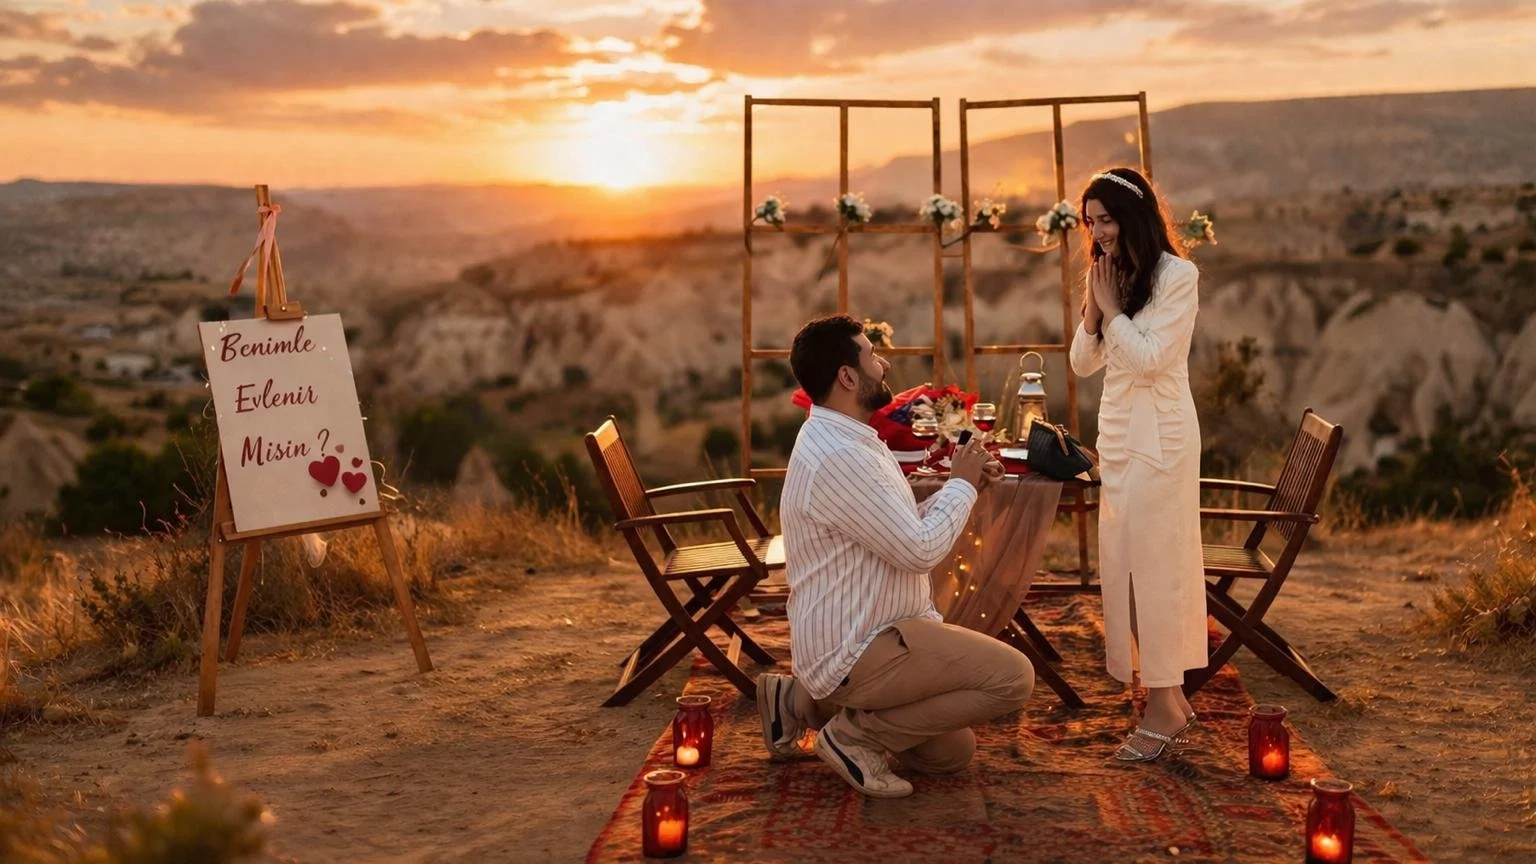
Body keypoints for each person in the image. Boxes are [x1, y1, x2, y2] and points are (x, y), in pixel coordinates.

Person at [756, 314, 1030, 799]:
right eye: (870, 356)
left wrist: (960, 486)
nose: (882, 364)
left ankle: (798, 702)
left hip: (874, 631)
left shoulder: (847, 437)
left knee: (951, 753)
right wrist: (962, 484)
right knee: (1012, 678)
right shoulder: (841, 455)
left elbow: (897, 525)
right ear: (847, 376)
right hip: (858, 646)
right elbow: (919, 549)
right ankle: (850, 738)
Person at [1068, 167, 1207, 762]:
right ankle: (1168, 700)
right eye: (1090, 222)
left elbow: (1150, 360)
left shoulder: (1179, 275)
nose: (1097, 233)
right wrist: (1095, 311)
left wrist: (1111, 310)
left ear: (1136, 216)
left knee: (1159, 566)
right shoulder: (1110, 273)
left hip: (1162, 438)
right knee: (1128, 564)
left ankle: (1161, 704)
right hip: (1120, 436)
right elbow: (1080, 363)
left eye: (1106, 220)